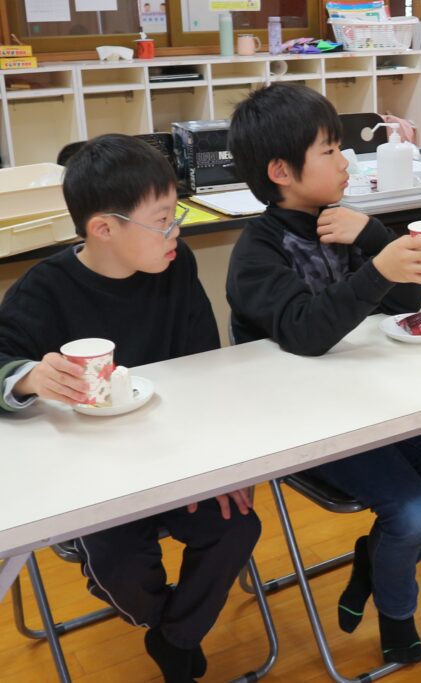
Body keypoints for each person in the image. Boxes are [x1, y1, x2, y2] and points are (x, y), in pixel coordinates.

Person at [225, 83, 421, 665]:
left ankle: (375, 560)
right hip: (306, 417)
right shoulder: (256, 253)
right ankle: (397, 611)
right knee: (412, 510)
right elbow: (305, 333)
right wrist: (378, 266)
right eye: (329, 151)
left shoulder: (343, 222)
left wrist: (376, 240)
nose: (345, 160)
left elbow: (405, 304)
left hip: (375, 396)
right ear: (281, 171)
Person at [0, 134, 260, 683]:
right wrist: (27, 377)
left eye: (176, 215)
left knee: (236, 525)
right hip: (91, 475)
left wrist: (221, 463)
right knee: (122, 566)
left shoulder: (176, 267)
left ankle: (174, 636)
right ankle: (168, 626)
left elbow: (207, 369)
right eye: (163, 220)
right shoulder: (43, 291)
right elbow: (5, 361)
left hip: (174, 453)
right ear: (103, 229)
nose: (176, 231)